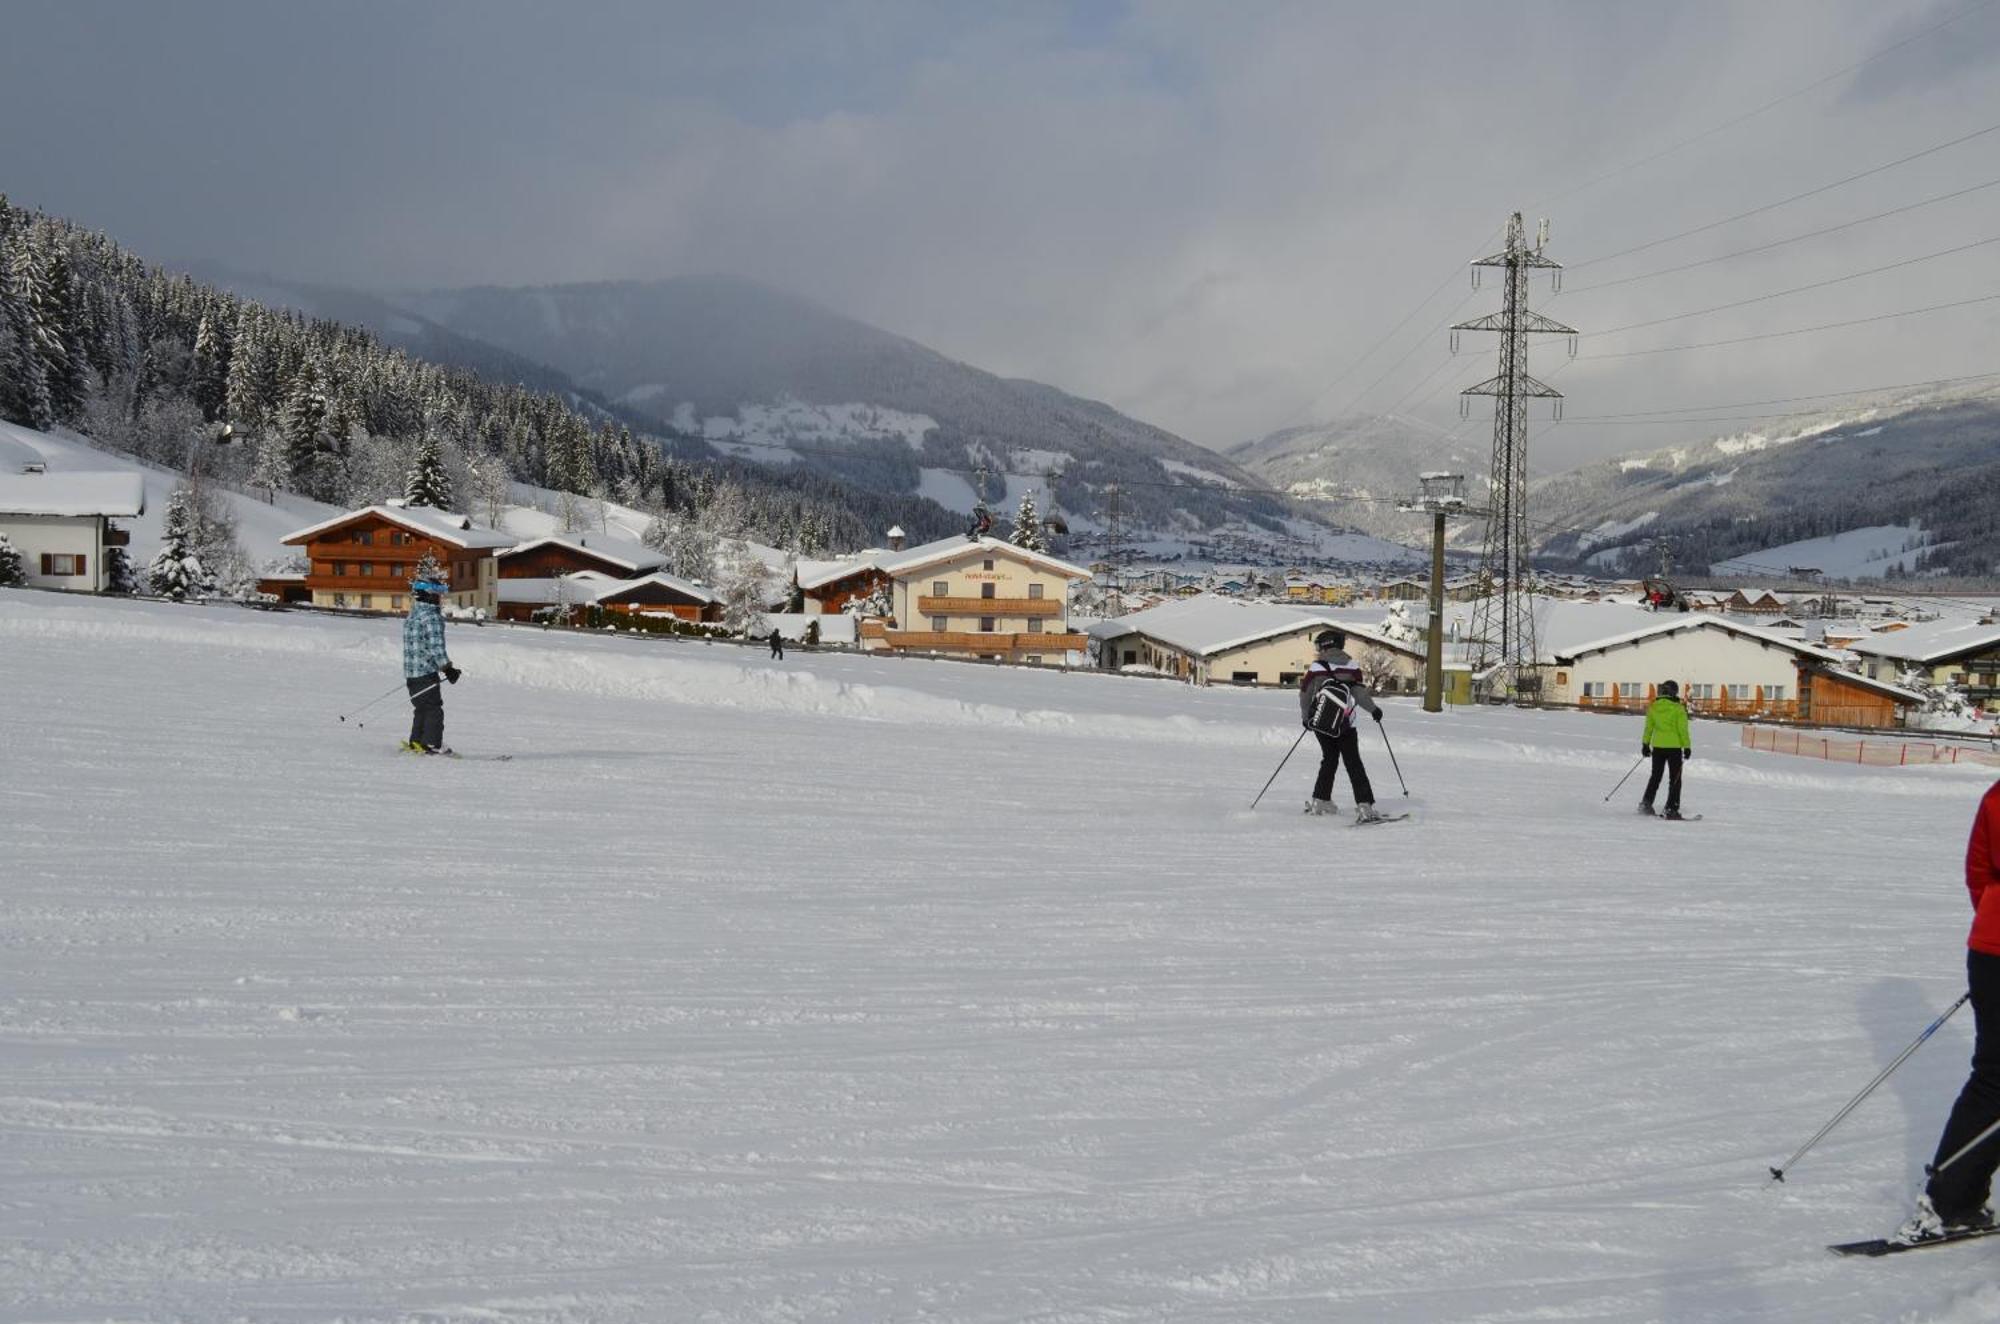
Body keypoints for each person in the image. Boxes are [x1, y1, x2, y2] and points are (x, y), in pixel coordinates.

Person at [1896, 782, 2000, 1244]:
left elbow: (1978, 872)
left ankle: (1953, 1199)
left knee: (1993, 1078)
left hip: (1989, 950)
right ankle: (1952, 1200)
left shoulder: (1997, 795)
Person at [1298, 628, 1385, 823]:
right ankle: (1365, 806)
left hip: (1321, 723)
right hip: (1346, 724)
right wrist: (1374, 710)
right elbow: (1359, 693)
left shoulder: (1317, 667)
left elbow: (1305, 694)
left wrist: (1306, 718)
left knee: (1329, 760)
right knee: (1353, 763)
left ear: (1325, 645)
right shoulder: (1352, 666)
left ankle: (1320, 801)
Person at [401, 578, 460, 755]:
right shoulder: (432, 617)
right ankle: (432, 745)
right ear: (428, 596)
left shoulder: (413, 615)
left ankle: (417, 742)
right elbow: (436, 647)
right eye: (437, 595)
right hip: (426, 673)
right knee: (433, 709)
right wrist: (448, 669)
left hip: (412, 674)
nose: (440, 599)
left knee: (421, 708)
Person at [1638, 680, 1691, 819]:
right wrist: (1687, 747)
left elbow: (1649, 728)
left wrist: (1645, 744)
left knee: (1655, 776)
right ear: (1673, 692)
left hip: (1658, 747)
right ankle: (1671, 809)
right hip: (1674, 748)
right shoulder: (1678, 708)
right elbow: (1683, 730)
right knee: (1675, 779)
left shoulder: (1654, 707)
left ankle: (1646, 803)